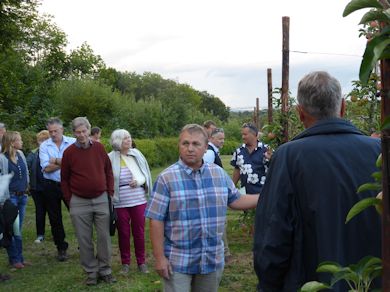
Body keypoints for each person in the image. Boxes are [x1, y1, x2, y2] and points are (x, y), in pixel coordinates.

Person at [253, 71, 382, 292]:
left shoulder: (288, 157)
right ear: (343, 107)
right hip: (372, 283)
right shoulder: (378, 152)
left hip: (312, 284)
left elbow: (273, 236)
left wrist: (268, 284)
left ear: (300, 113)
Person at [145, 124, 260, 292]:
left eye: (196, 144)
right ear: (179, 145)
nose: (190, 148)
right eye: (185, 143)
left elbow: (236, 200)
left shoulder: (218, 174)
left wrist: (265, 197)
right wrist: (159, 258)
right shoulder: (166, 178)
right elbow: (156, 220)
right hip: (178, 261)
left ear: (206, 147)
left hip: (211, 259)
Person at [61, 117, 116, 286]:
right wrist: (71, 200)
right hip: (79, 201)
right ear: (74, 133)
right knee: (84, 239)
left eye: (84, 131)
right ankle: (91, 272)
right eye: (78, 132)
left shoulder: (99, 148)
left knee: (104, 237)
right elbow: (64, 179)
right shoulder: (69, 153)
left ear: (89, 130)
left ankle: (105, 270)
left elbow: (108, 171)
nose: (82, 135)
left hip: (101, 198)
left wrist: (110, 192)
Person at [108, 129, 152, 275]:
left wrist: (138, 181)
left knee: (139, 232)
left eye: (129, 137)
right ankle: (125, 263)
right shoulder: (110, 158)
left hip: (138, 200)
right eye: (125, 138)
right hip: (120, 201)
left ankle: (141, 262)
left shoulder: (136, 154)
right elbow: (108, 179)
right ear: (118, 141)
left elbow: (145, 175)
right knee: (124, 233)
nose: (129, 140)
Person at [39, 117, 76, 261]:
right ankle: (61, 247)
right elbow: (46, 169)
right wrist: (67, 163)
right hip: (51, 185)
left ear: (62, 129)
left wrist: (56, 160)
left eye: (55, 131)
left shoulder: (72, 142)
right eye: (50, 131)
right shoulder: (44, 146)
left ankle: (85, 244)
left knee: (78, 215)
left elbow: (77, 164)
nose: (53, 134)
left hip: (71, 184)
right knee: (55, 219)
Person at [0, 131, 29, 269]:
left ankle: (20, 257)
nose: (22, 142)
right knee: (13, 228)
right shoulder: (2, 159)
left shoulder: (21, 155)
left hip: (22, 195)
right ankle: (15, 258)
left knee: (19, 228)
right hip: (10, 197)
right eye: (19, 139)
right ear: (12, 142)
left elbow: (26, 173)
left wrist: (27, 187)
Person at [202, 128, 231, 262]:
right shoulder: (209, 153)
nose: (222, 141)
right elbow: (204, 171)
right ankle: (223, 252)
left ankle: (224, 251)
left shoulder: (212, 151)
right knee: (219, 222)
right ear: (211, 138)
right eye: (220, 138)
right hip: (211, 193)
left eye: (223, 138)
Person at [231, 123, 270, 194]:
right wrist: (232, 187)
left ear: (254, 134)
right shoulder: (239, 151)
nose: (243, 137)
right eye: (242, 134)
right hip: (245, 194)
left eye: (245, 134)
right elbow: (237, 170)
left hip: (263, 193)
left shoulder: (266, 150)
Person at [27, 130, 50, 243]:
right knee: (39, 211)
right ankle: (40, 234)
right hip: (36, 188)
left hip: (51, 187)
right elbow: (27, 166)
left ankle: (57, 234)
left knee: (53, 212)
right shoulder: (33, 154)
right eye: (40, 140)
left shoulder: (53, 153)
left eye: (44, 140)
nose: (41, 143)